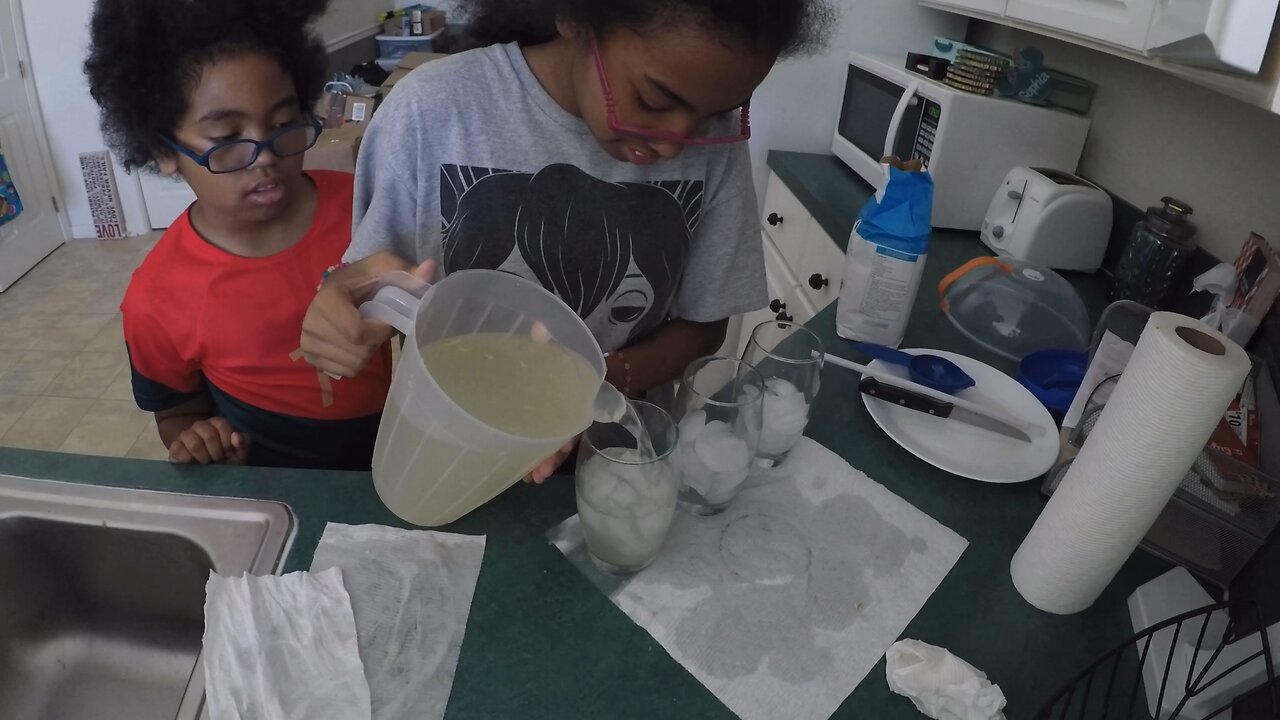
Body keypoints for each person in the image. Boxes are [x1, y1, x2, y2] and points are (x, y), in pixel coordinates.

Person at [300, 0, 830, 479]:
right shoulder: (432, 113)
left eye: (714, 114)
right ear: (576, 17)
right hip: (450, 449)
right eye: (651, 99)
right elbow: (370, 286)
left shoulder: (712, 146)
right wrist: (340, 303)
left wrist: (593, 388)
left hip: (617, 460)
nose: (676, 143)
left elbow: (706, 322)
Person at [85, 0, 396, 470]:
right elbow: (176, 414)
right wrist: (200, 440)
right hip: (271, 490)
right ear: (159, 149)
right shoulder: (156, 299)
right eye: (228, 137)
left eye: (282, 124)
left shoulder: (361, 207)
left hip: (390, 456)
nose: (265, 157)